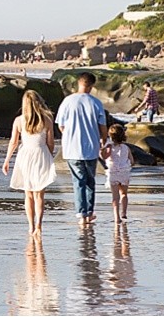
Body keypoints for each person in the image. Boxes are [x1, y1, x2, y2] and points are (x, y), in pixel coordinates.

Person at [56, 72, 108, 226]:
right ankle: (89, 212)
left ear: (78, 83)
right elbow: (103, 127)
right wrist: (103, 141)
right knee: (90, 181)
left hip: (72, 148)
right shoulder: (96, 103)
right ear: (91, 86)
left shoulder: (67, 101)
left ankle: (81, 214)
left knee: (78, 180)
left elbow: (61, 125)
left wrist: (69, 135)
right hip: (91, 147)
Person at [2, 90, 57, 236]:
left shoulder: (19, 121)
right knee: (39, 195)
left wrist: (7, 160)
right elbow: (50, 143)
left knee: (29, 195)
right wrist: (49, 157)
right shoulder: (47, 119)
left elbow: (13, 143)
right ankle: (39, 225)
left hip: (25, 156)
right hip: (41, 154)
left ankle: (31, 226)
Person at [101, 124, 134, 224]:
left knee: (115, 197)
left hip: (113, 172)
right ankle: (124, 212)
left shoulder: (110, 147)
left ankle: (117, 217)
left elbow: (105, 157)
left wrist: (102, 149)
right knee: (124, 194)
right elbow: (132, 161)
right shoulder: (126, 148)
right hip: (124, 172)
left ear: (111, 136)